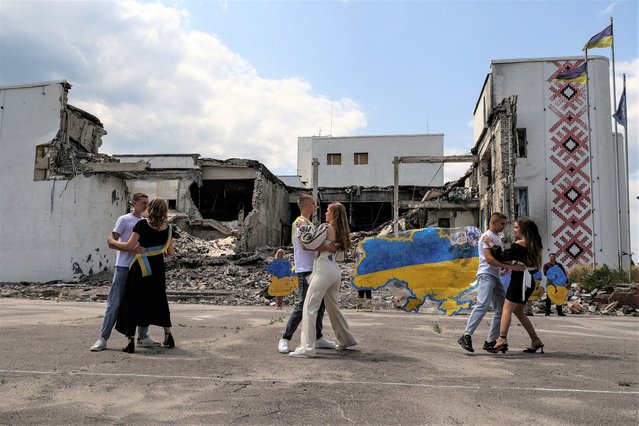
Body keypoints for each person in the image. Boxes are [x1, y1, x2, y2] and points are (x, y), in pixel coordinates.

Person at [90, 193, 160, 351]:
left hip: (141, 266)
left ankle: (143, 336)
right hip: (123, 266)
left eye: (147, 203)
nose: (145, 206)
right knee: (114, 303)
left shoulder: (146, 222)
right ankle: (103, 338)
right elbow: (111, 242)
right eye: (143, 202)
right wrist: (129, 248)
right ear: (134, 202)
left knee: (143, 302)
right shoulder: (124, 219)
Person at [289, 202, 358, 358]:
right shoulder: (341, 231)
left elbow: (308, 244)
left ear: (333, 215)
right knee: (333, 308)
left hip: (323, 268)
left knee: (309, 307)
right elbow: (333, 250)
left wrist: (303, 228)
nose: (325, 213)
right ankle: (346, 340)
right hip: (334, 270)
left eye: (328, 211)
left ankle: (306, 348)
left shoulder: (326, 227)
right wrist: (326, 245)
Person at [109, 197, 176, 354]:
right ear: (165, 211)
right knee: (159, 300)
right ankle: (168, 335)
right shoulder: (168, 228)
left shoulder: (142, 224)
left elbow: (129, 246)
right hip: (157, 270)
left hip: (140, 269)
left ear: (150, 208)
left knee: (132, 301)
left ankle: (131, 341)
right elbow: (171, 252)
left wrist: (112, 240)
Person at [278, 195, 336, 354]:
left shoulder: (309, 223)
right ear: (306, 205)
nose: (316, 207)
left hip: (316, 268)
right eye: (313, 204)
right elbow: (305, 246)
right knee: (302, 304)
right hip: (305, 269)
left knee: (320, 304)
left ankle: (318, 338)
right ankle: (285, 338)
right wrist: (327, 248)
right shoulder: (300, 223)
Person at [458, 213, 523, 353]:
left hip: (495, 276)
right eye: (502, 224)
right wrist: (511, 267)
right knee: (483, 304)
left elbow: (499, 257)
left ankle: (490, 341)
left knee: (502, 308)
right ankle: (466, 335)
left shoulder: (496, 239)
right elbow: (489, 259)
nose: (504, 227)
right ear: (494, 223)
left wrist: (507, 264)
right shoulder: (485, 237)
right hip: (486, 274)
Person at [484, 217, 545, 354]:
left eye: (516, 227)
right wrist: (511, 267)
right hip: (528, 281)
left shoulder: (520, 243)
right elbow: (525, 264)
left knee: (507, 308)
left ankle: (501, 338)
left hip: (520, 280)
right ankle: (535, 340)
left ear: (523, 230)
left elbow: (503, 255)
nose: (514, 229)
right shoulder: (533, 244)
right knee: (518, 311)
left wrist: (491, 243)